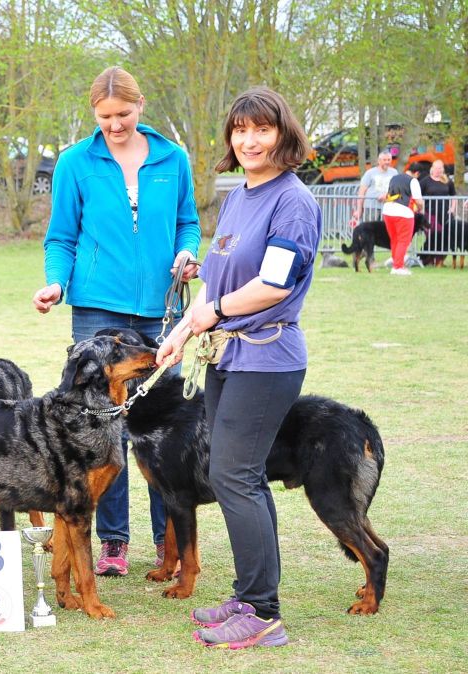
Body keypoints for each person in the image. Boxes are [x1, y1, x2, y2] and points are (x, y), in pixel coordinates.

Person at [156, 86, 321, 649]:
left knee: (233, 476)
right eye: (240, 130)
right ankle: (251, 595)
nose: (250, 141)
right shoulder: (237, 196)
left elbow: (273, 285)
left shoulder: (293, 201)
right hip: (225, 355)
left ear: (283, 134)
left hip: (267, 359)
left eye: (263, 130)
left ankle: (265, 613)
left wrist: (215, 312)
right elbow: (214, 282)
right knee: (237, 478)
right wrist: (181, 331)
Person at [32, 66, 201, 576]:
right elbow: (61, 235)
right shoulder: (74, 162)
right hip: (96, 310)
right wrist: (57, 284)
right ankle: (112, 543)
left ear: (140, 106)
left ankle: (167, 541)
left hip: (160, 310)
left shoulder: (174, 158)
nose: (114, 125)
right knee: (101, 431)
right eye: (105, 117)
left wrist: (188, 252)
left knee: (160, 429)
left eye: (123, 115)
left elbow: (186, 221)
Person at [382, 163, 424, 276]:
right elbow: (418, 200)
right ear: (417, 173)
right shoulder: (413, 181)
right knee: (403, 241)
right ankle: (398, 267)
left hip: (387, 210)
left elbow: (387, 194)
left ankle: (396, 261)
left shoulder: (394, 178)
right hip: (404, 212)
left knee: (394, 239)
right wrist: (420, 208)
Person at [418, 159, 456, 266]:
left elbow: (454, 196)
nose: (439, 170)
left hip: (445, 214)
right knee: (432, 237)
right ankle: (425, 258)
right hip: (430, 214)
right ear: (432, 169)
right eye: (437, 168)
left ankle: (440, 260)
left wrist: (452, 208)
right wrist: (421, 208)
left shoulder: (447, 181)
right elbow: (417, 196)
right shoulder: (425, 181)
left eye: (441, 168)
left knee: (445, 238)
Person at [350, 151, 397, 227]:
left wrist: (387, 195)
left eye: (389, 160)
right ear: (379, 161)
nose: (387, 162)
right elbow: (361, 192)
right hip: (371, 207)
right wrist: (359, 209)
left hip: (387, 207)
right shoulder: (370, 173)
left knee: (385, 230)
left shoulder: (394, 173)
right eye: (384, 160)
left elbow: (396, 189)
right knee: (369, 230)